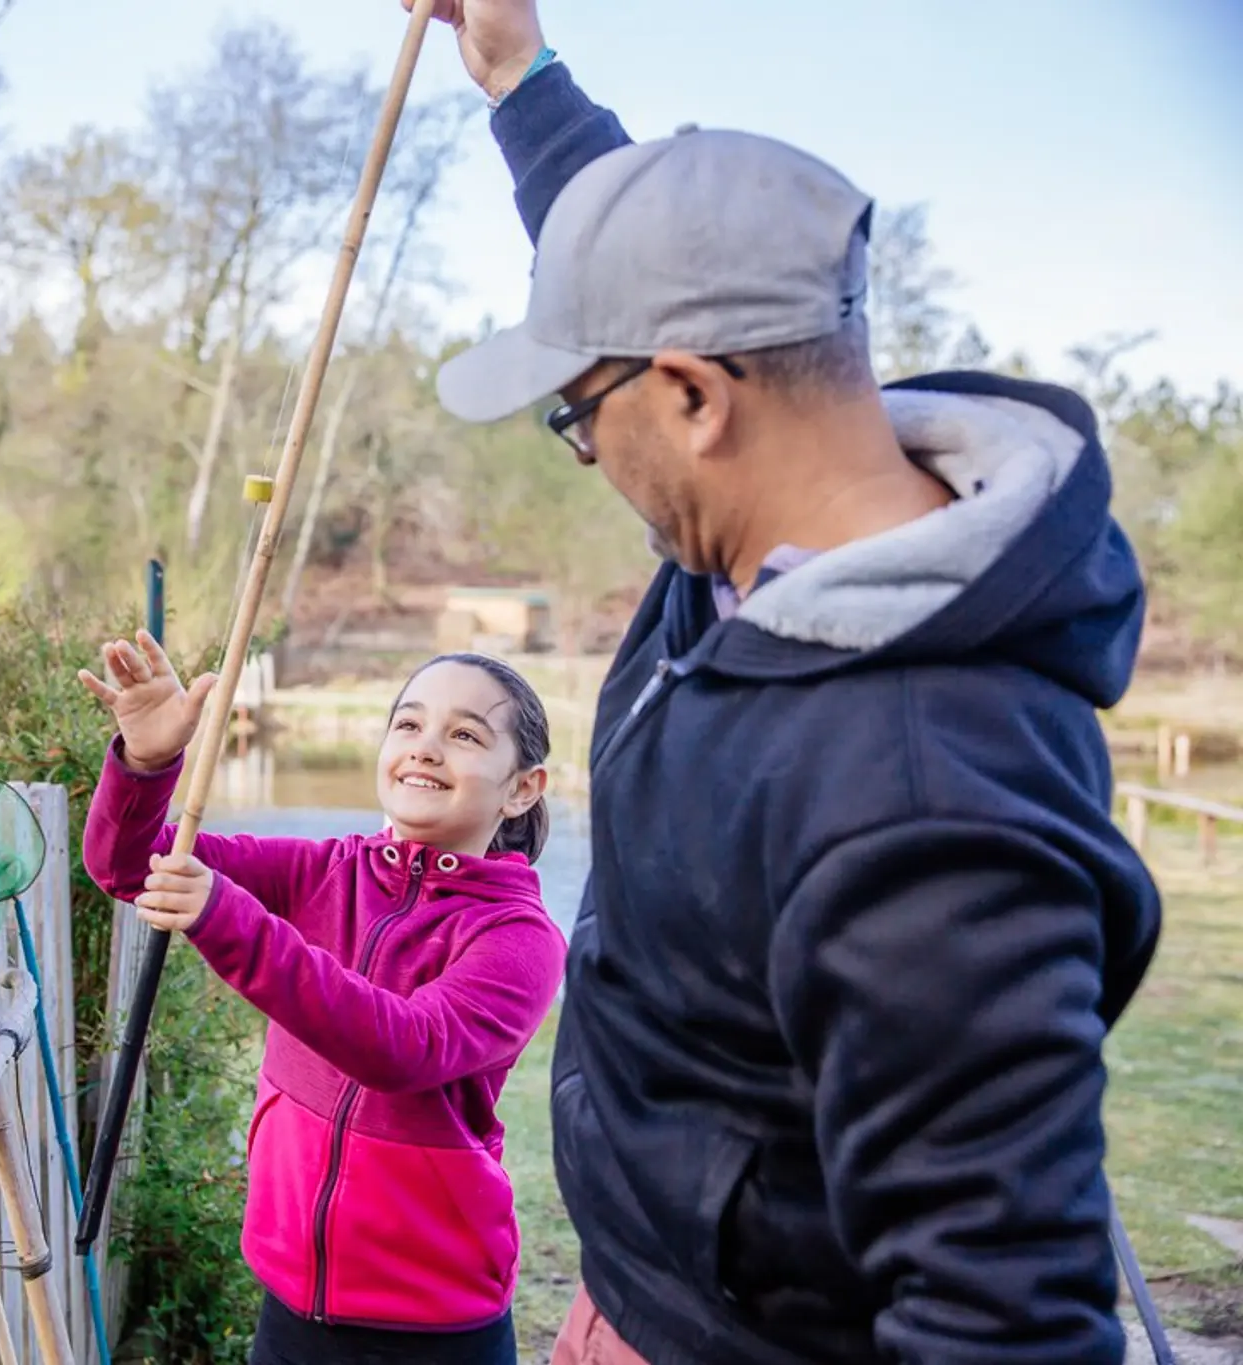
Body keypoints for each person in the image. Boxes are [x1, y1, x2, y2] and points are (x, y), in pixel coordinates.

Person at [410, 3, 1166, 1363]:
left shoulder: (929, 805)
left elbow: (1005, 1322)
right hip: (640, 1294)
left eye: (581, 417)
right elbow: (648, 255)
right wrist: (519, 75)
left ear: (698, 398)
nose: (588, 453)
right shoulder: (752, 546)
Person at [79, 635, 566, 1365]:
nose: (425, 747)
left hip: (432, 1328)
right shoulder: (322, 870)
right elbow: (130, 867)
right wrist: (146, 766)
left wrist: (227, 917)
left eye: (464, 734)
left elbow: (403, 1046)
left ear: (523, 787)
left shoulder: (519, 936)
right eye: (408, 724)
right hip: (289, 1302)